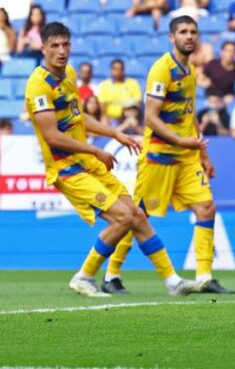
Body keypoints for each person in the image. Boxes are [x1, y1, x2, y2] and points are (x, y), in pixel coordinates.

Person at [24, 22, 206, 298]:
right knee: (122, 218)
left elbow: (78, 117)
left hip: (87, 163)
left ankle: (173, 281)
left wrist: (114, 133)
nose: (61, 51)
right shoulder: (38, 85)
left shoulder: (69, 73)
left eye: (65, 45)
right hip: (66, 169)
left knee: (136, 215)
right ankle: (84, 276)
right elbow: (52, 136)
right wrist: (95, 150)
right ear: (43, 49)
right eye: (55, 46)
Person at [101, 16, 232, 294]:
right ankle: (111, 275)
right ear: (172, 37)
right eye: (183, 32)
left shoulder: (191, 71)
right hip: (158, 157)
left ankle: (204, 277)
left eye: (193, 32)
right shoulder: (162, 69)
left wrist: (203, 155)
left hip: (186, 158)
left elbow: (189, 115)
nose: (189, 36)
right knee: (136, 216)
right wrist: (182, 140)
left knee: (206, 208)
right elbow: (150, 118)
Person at [96, 59, 142, 125]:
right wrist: (104, 117)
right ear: (111, 70)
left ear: (123, 70)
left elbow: (138, 104)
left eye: (120, 69)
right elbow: (102, 107)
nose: (118, 72)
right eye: (115, 69)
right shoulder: (105, 85)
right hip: (111, 119)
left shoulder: (133, 83)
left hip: (128, 118)